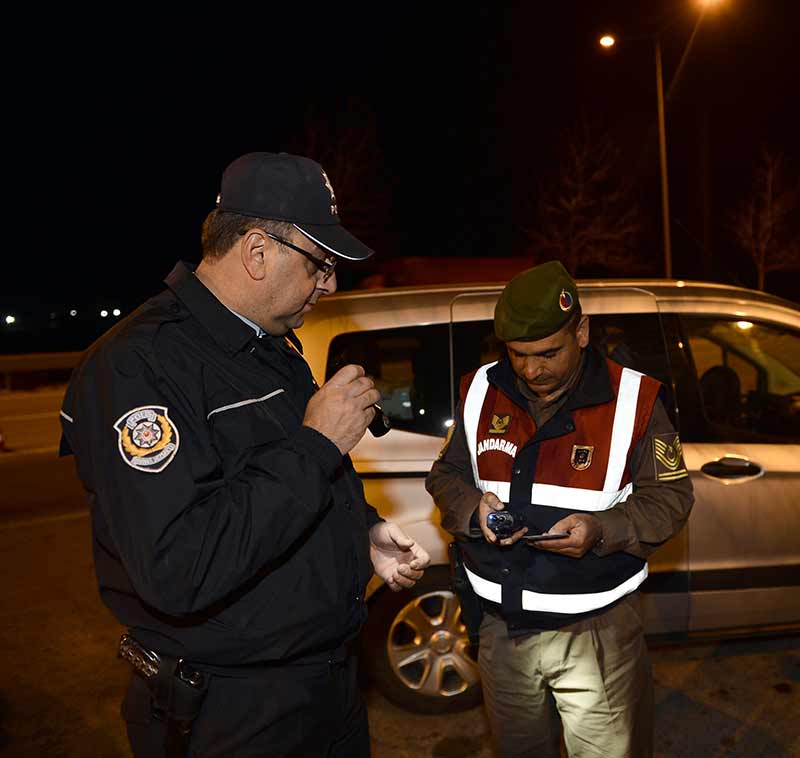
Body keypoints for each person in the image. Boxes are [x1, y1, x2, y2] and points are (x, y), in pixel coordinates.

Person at [59, 151, 430, 758]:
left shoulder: (270, 344)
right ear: (257, 252)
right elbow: (181, 566)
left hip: (326, 685)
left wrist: (358, 534)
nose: (331, 282)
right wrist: (317, 443)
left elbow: (270, 484)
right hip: (233, 709)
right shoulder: (137, 366)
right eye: (320, 262)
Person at [425, 261, 693, 758]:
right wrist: (472, 510)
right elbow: (446, 476)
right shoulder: (482, 390)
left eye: (548, 352)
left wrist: (602, 529)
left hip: (597, 634)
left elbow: (671, 498)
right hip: (502, 629)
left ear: (582, 332)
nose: (531, 370)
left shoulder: (633, 399)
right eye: (519, 355)